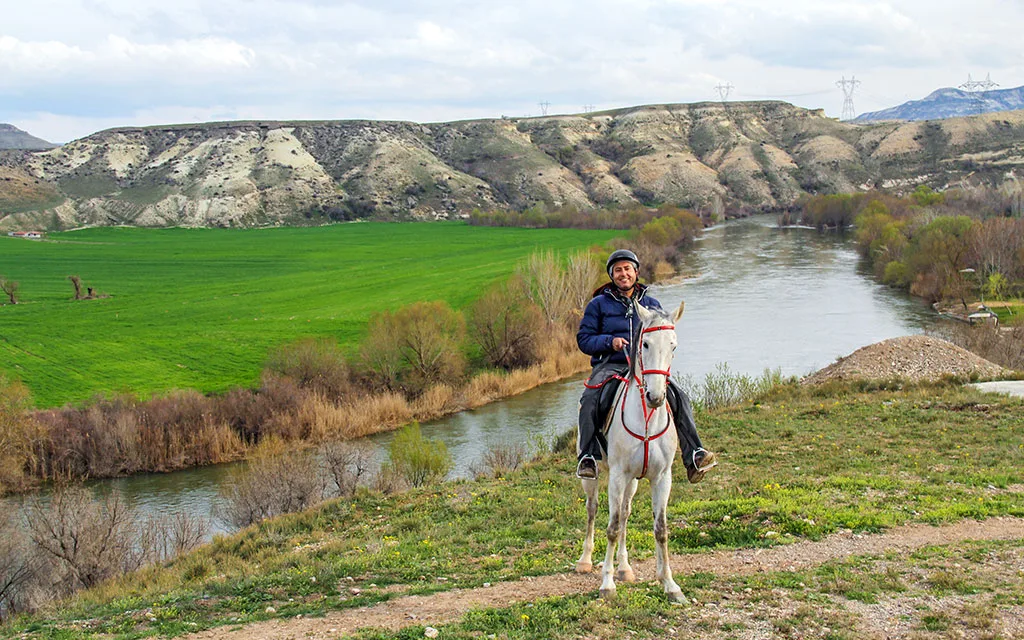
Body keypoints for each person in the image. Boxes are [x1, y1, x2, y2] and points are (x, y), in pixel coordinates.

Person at [575, 249, 717, 483]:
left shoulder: (651, 303)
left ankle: (694, 454)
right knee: (590, 399)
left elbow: (663, 336)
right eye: (618, 270)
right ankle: (588, 456)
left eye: (627, 269)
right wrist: (610, 342)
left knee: (679, 397)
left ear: (636, 272)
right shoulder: (598, 305)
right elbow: (584, 339)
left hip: (647, 368)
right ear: (612, 275)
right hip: (612, 364)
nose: (623, 274)